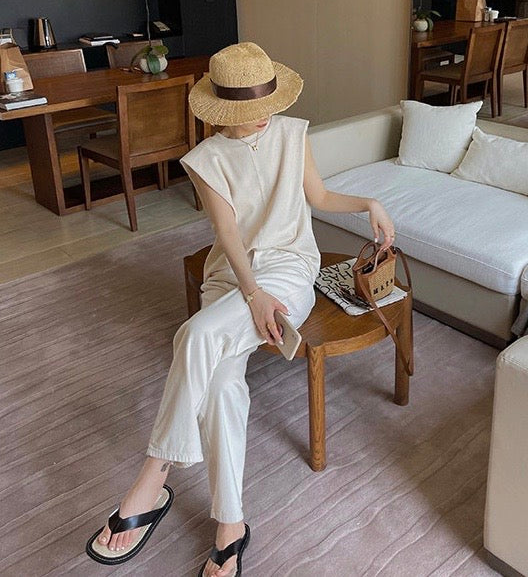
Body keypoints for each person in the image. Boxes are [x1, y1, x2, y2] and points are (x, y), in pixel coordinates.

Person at [85, 42, 396, 577]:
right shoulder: (205, 160)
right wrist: (251, 294)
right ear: (222, 109)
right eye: (251, 109)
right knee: (223, 384)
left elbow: (319, 197)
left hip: (290, 270)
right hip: (232, 276)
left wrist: (369, 203)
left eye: (267, 105)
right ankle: (231, 524)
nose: (263, 116)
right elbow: (228, 235)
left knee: (195, 336)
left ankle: (152, 478)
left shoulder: (293, 133)